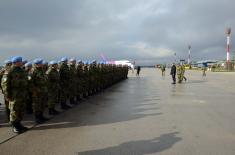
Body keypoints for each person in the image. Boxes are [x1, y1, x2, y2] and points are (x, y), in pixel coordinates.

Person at [2, 56, 28, 134]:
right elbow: (5, 85)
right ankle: (14, 126)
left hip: (22, 94)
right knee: (14, 111)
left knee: (21, 110)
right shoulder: (9, 71)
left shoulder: (21, 70)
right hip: (14, 95)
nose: (21, 62)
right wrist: (7, 95)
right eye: (20, 61)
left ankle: (19, 124)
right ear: (16, 62)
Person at [31, 58, 49, 124]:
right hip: (37, 92)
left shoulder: (41, 70)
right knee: (37, 106)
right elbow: (31, 83)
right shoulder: (33, 71)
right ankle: (37, 118)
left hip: (43, 90)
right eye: (41, 63)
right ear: (37, 64)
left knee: (42, 104)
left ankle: (41, 116)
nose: (42, 64)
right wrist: (34, 91)